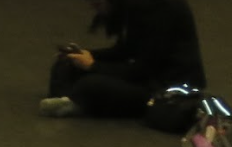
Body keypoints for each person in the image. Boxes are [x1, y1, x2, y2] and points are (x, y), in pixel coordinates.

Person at [41, 0, 205, 119]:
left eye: (98, 4)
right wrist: (87, 55)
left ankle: (76, 100)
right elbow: (125, 51)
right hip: (144, 75)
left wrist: (93, 66)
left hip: (164, 89)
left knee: (92, 84)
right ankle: (70, 99)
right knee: (66, 64)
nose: (92, 6)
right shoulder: (135, 8)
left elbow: (143, 70)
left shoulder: (162, 10)